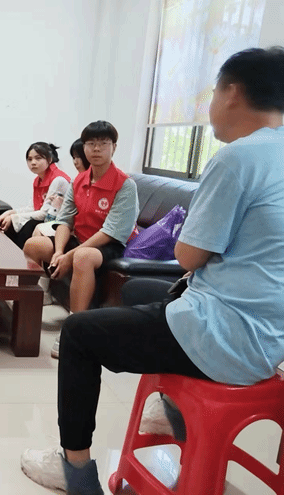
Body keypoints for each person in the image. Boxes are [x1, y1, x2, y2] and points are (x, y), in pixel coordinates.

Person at [20, 46, 284, 494]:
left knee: (79, 333)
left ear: (233, 92)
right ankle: (172, 409)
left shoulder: (237, 158)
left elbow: (188, 256)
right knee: (141, 290)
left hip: (226, 338)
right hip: (271, 338)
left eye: (213, 92)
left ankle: (74, 469)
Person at [24, 121, 138, 358]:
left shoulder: (125, 185)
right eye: (91, 143)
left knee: (83, 257)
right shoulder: (78, 181)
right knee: (34, 244)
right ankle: (41, 297)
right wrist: (59, 251)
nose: (96, 149)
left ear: (114, 147)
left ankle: (73, 329)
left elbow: (110, 232)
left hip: (108, 244)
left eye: (103, 143)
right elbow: (64, 220)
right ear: (84, 147)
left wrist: (70, 255)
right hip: (80, 238)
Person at [0, 142, 71, 249]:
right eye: (30, 159)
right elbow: (33, 208)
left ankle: (21, 258)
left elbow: (44, 214)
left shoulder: (58, 180)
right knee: (11, 224)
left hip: (60, 222)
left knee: (28, 225)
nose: (33, 162)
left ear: (49, 159)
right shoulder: (38, 180)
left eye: (38, 158)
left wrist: (14, 217)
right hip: (47, 217)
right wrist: (10, 213)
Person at [32, 138, 90, 238]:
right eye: (74, 157)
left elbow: (49, 216)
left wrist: (56, 208)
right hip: (66, 224)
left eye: (79, 157)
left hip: (78, 229)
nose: (75, 161)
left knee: (37, 228)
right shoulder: (75, 181)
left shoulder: (60, 180)